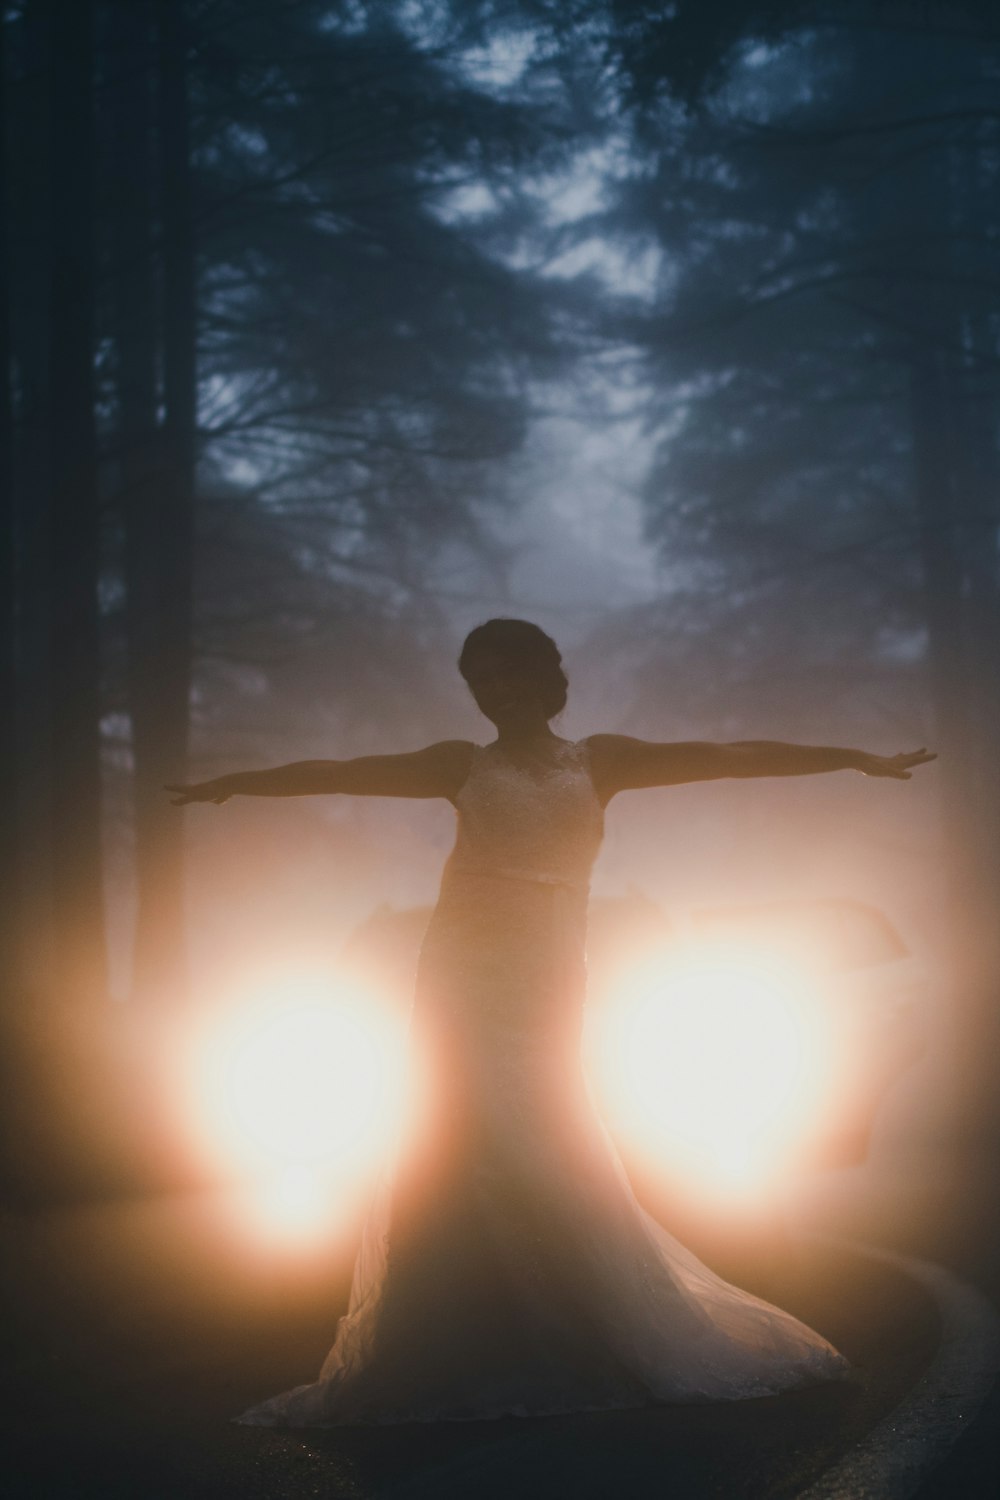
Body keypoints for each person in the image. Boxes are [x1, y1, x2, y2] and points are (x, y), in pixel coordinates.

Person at [167, 618, 935, 1426]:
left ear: (545, 679)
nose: (495, 694)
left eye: (509, 676)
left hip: (549, 977)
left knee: (549, 1140)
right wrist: (238, 781)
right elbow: (342, 773)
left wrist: (852, 757)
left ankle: (578, 1329)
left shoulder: (601, 761)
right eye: (481, 682)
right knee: (456, 1143)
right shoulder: (458, 765)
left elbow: (729, 756)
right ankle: (448, 1341)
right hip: (460, 976)